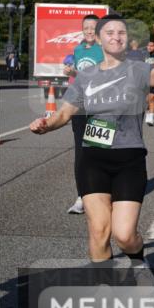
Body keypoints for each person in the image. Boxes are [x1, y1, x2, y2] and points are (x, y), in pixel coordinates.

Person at [30, 17, 154, 286]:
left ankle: (138, 260)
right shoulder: (86, 76)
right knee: (98, 230)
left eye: (121, 32)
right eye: (109, 32)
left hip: (128, 159)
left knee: (124, 234)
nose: (116, 36)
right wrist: (45, 125)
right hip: (92, 159)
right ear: (99, 40)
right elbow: (64, 113)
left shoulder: (138, 70)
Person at [64, 13, 105, 215]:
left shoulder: (106, 49)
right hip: (80, 106)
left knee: (98, 150)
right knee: (81, 151)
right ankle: (82, 196)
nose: (89, 30)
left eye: (93, 27)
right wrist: (71, 73)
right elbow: (79, 77)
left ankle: (101, 193)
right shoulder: (78, 49)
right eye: (86, 27)